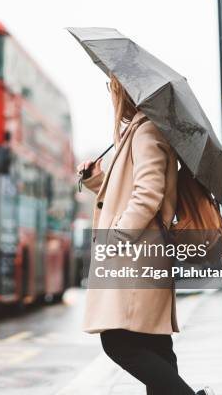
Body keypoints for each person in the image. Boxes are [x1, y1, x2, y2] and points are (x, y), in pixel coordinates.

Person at [77, 76, 213, 395]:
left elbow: (148, 193)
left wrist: (117, 237)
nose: (111, 94)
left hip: (136, 256)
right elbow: (133, 191)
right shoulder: (141, 130)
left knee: (118, 342)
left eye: (112, 87)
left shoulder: (147, 130)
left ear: (124, 90)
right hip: (146, 255)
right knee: (156, 347)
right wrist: (98, 182)